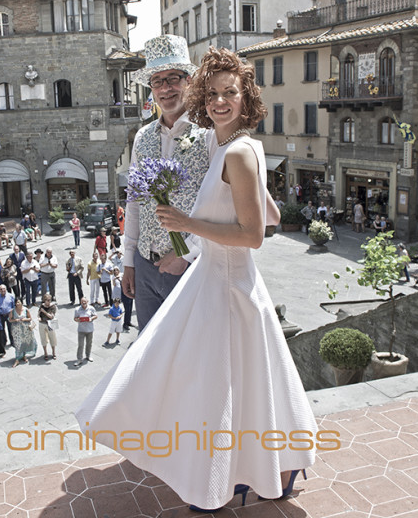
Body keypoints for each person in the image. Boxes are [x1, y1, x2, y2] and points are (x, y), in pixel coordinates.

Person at [76, 48, 315, 511]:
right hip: (221, 284)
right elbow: (271, 212)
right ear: (202, 98)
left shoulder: (236, 150)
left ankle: (217, 484)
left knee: (208, 387)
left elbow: (253, 235)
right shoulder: (231, 146)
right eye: (214, 94)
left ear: (247, 98)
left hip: (225, 288)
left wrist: (187, 225)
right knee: (240, 388)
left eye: (231, 93)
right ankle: (257, 473)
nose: (221, 101)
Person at [122, 35, 210, 332]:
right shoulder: (143, 137)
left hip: (191, 268)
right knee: (149, 355)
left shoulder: (209, 133)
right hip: (145, 268)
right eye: (157, 81)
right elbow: (134, 203)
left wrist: (185, 254)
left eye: (173, 78)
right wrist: (129, 261)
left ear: (189, 81)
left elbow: (223, 207)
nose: (165, 88)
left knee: (186, 358)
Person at [9, 298, 36, 368]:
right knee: (18, 343)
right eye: (16, 302)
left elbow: (30, 318)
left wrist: (24, 319)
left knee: (24, 342)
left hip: (25, 329)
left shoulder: (25, 309)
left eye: (18, 302)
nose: (17, 304)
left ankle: (23, 356)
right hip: (16, 330)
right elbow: (10, 320)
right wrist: (15, 320)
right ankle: (17, 359)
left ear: (21, 302)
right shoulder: (13, 310)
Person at [73, 297, 97, 366]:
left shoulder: (91, 308)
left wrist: (91, 318)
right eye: (82, 302)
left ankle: (88, 355)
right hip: (81, 330)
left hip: (90, 329)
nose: (83, 303)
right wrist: (78, 320)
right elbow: (75, 318)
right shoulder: (77, 309)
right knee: (80, 345)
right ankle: (79, 359)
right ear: (80, 302)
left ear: (87, 302)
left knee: (89, 344)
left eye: (85, 302)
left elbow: (95, 315)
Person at [37, 293, 57, 360]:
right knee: (43, 338)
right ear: (44, 300)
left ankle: (53, 353)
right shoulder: (42, 306)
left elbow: (51, 316)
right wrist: (39, 317)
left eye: (49, 300)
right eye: (47, 300)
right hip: (42, 323)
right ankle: (45, 353)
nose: (48, 301)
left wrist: (44, 312)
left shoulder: (53, 306)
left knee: (52, 338)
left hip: (50, 323)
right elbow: (39, 313)